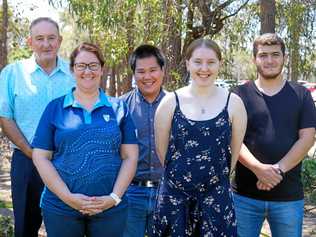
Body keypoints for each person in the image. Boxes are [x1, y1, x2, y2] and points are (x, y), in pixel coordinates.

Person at [31, 42, 139, 237]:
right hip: (61, 208)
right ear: (72, 70)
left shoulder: (119, 108)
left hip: (110, 209)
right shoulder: (54, 108)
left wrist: (113, 198)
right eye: (81, 65)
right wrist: (68, 198)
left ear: (101, 69)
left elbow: (130, 157)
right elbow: (40, 157)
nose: (87, 71)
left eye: (93, 65)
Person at [153, 38, 247, 236]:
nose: (204, 68)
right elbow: (163, 154)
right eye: (197, 61)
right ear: (187, 64)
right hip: (175, 199)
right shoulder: (170, 102)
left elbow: (234, 153)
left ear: (219, 64)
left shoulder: (234, 103)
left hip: (216, 199)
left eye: (211, 62)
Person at [232, 33, 316, 237]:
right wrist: (258, 169)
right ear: (254, 59)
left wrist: (276, 171)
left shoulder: (301, 95)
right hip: (244, 197)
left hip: (288, 198)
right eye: (263, 55)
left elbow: (307, 138)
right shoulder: (239, 94)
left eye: (275, 54)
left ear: (284, 58)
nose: (269, 60)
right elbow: (234, 139)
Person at [0, 17, 74, 237]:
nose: (46, 44)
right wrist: (32, 153)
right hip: (26, 161)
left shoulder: (74, 73)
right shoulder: (13, 73)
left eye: (51, 38)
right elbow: (5, 118)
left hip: (67, 162)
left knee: (67, 226)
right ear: (30, 42)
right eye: (39, 38)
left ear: (59, 41)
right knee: (25, 227)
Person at [121, 44, 166, 237]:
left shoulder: (176, 105)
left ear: (163, 71)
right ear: (134, 74)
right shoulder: (121, 106)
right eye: (141, 71)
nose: (147, 77)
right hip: (131, 193)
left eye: (153, 70)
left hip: (166, 193)